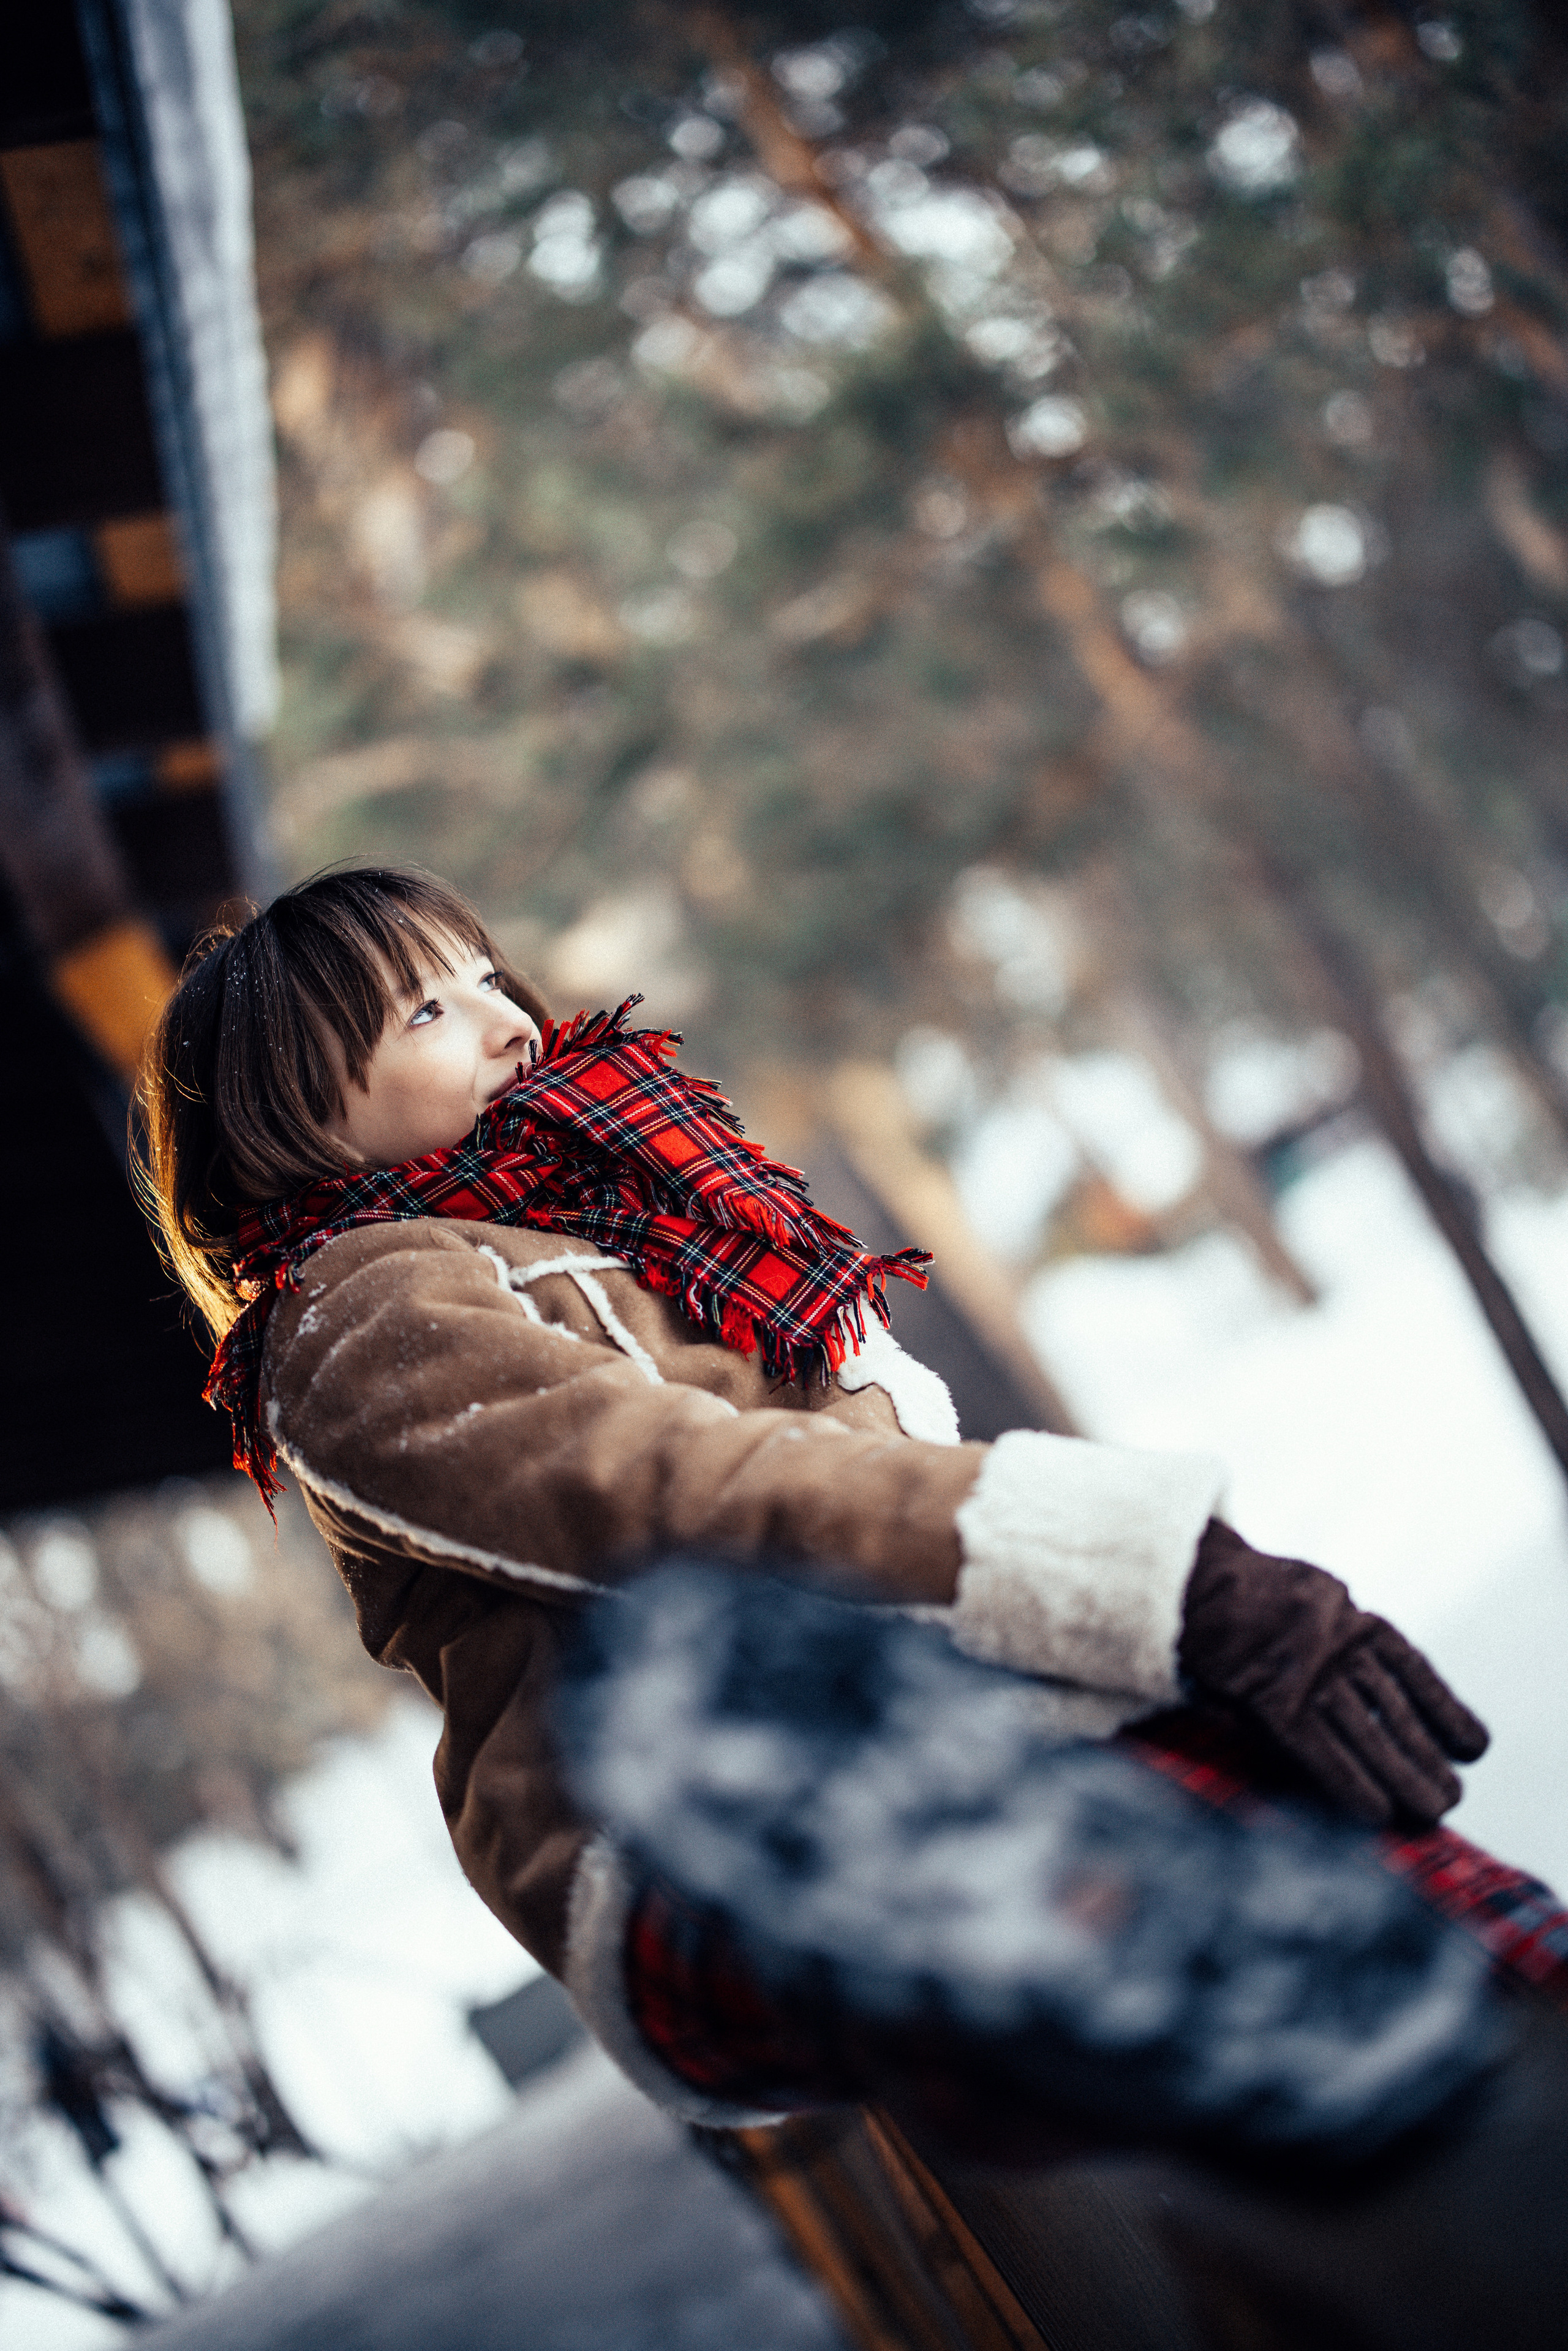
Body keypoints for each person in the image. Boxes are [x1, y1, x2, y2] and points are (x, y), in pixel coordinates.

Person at [138, 864, 1531, 2155]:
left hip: (880, 1743)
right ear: (288, 1120)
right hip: (685, 1835)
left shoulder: (614, 1215)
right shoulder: (359, 1312)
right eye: (427, 1011)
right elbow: (686, 1495)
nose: (509, 1022)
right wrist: (1157, 1571)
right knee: (1288, 1904)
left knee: (1342, 1849)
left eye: (488, 976)